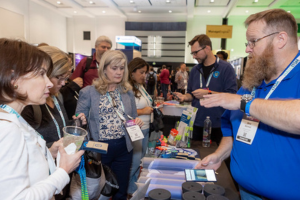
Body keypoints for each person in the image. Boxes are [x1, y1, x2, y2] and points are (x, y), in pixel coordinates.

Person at [196, 9, 300, 199]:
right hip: (246, 192)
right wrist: (219, 155)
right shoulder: (254, 80)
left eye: (253, 41)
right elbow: (232, 129)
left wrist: (242, 102)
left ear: (280, 39)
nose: (247, 49)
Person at [0, 38, 84, 199]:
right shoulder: (7, 128)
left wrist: (49, 153)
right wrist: (63, 171)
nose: (49, 83)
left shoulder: (13, 119)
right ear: (14, 79)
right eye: (41, 74)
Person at [76, 50, 143, 200]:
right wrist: (80, 119)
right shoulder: (89, 92)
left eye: (122, 68)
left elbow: (132, 118)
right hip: (99, 149)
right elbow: (78, 124)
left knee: (121, 189)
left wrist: (136, 122)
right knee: (99, 191)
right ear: (104, 68)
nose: (119, 72)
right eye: (114, 68)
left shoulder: (127, 92)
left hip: (123, 148)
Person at [174, 34, 237, 145]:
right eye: (192, 53)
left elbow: (232, 95)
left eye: (196, 52)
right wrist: (184, 97)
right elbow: (191, 94)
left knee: (217, 160)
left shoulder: (226, 68)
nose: (193, 56)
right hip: (196, 122)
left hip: (219, 124)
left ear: (207, 48)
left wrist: (208, 93)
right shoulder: (194, 70)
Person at [22, 46, 86, 148]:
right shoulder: (28, 106)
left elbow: (59, 128)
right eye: (59, 78)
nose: (63, 83)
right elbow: (28, 148)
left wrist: (75, 124)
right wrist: (51, 152)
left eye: (65, 78)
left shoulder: (56, 97)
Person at [127, 57, 152, 196]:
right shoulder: (127, 88)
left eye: (145, 73)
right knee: (135, 163)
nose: (144, 75)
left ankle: (131, 190)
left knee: (139, 162)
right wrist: (143, 111)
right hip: (136, 130)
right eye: (141, 72)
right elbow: (124, 111)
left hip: (146, 128)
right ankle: (124, 189)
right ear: (132, 72)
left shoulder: (140, 86)